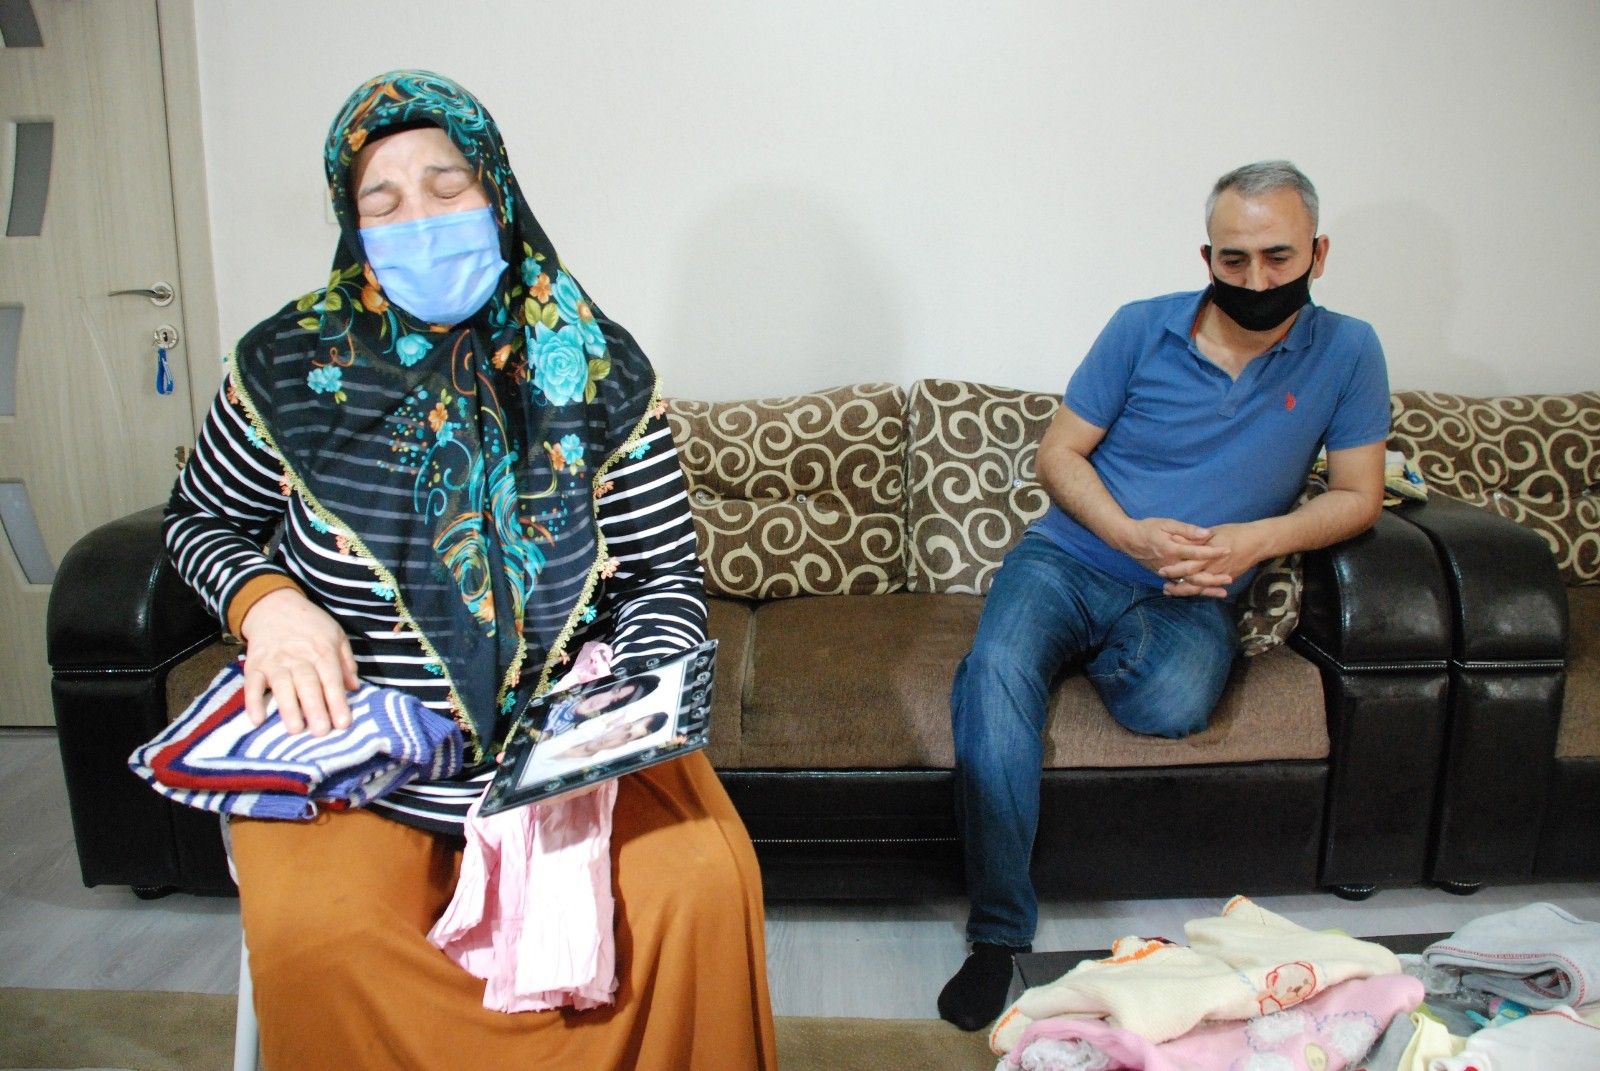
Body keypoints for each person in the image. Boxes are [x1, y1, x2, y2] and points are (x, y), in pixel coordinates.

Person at [164, 70, 775, 1069]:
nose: (419, 219)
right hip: (358, 735)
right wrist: (266, 603)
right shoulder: (284, 368)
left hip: (565, 733)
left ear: (497, 190)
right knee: (320, 935)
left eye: (447, 186)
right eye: (382, 200)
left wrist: (626, 702)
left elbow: (663, 577)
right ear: (351, 222)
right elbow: (199, 520)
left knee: (700, 891)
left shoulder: (596, 368)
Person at [936, 161, 1391, 1031]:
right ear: (1206, 257)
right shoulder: (1140, 327)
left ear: (1319, 253)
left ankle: (1092, 651)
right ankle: (997, 932)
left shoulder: (1349, 350)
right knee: (993, 671)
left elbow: (1359, 495)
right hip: (1073, 556)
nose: (1256, 278)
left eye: (1277, 256)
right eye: (1233, 259)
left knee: (1172, 702)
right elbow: (1057, 454)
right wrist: (1128, 533)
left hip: (1195, 589)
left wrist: (1254, 540)